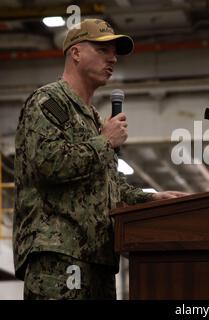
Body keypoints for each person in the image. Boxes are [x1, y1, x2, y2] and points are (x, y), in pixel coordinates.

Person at [13, 19, 187, 300]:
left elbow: (108, 185)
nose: (113, 58)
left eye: (114, 52)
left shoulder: (93, 118)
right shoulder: (48, 102)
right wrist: (105, 141)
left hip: (98, 258)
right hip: (59, 254)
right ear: (76, 53)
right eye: (102, 49)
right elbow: (48, 164)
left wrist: (151, 199)